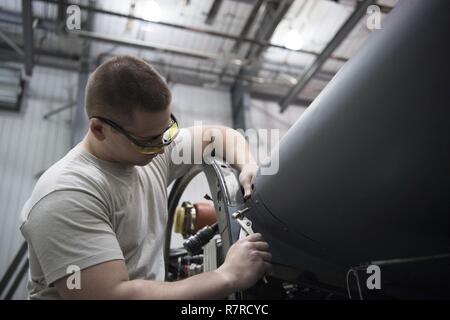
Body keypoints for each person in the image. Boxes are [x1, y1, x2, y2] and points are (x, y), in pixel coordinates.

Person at [19, 55, 272, 299]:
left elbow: (219, 136)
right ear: (99, 129)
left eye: (167, 130)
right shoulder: (67, 195)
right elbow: (113, 296)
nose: (163, 147)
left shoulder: (150, 150)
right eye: (149, 140)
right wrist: (226, 276)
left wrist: (248, 164)